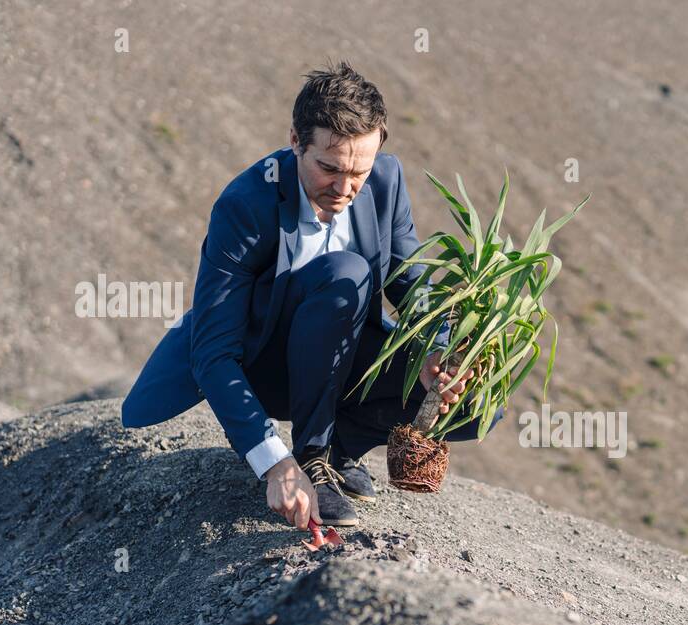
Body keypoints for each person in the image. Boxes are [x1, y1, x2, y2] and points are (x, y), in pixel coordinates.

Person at [121, 61, 495, 529]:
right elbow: (214, 352)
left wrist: (437, 351)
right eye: (329, 169)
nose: (344, 188)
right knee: (347, 272)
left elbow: (411, 286)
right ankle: (311, 458)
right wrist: (275, 464)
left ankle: (341, 450)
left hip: (338, 359)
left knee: (479, 400)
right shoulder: (245, 205)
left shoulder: (385, 181)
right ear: (296, 140)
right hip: (265, 366)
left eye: (359, 171)